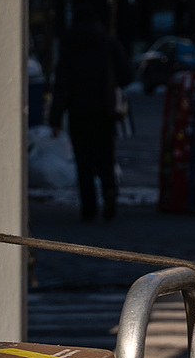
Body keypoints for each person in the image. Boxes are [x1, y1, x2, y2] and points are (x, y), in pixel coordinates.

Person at [49, 13, 133, 223]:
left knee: (83, 162)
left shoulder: (69, 47)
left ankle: (89, 207)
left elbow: (62, 85)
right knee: (105, 156)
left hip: (78, 112)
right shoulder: (108, 43)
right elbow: (126, 75)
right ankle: (110, 190)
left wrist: (55, 119)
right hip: (105, 110)